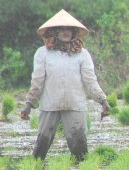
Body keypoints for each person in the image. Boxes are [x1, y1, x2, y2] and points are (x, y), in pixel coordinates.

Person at [20, 9, 110, 161]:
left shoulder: (82, 54)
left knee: (80, 148)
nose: (65, 32)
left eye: (69, 29)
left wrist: (103, 100)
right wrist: (29, 104)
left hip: (75, 104)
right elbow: (37, 81)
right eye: (61, 29)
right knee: (41, 145)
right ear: (55, 32)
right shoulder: (43, 53)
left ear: (74, 32)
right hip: (50, 104)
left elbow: (90, 80)